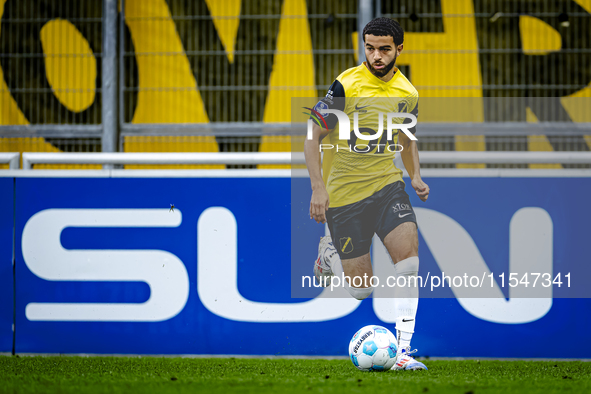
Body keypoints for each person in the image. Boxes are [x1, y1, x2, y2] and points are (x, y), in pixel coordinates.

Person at [304, 17, 430, 371]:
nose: (376, 55)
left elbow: (406, 138)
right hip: (344, 198)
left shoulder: (408, 93)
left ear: (399, 50)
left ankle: (403, 351)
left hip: (388, 187)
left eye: (384, 49)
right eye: (370, 48)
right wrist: (318, 187)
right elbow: (312, 137)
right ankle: (328, 254)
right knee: (361, 290)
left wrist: (415, 174)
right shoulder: (346, 85)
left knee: (409, 263)